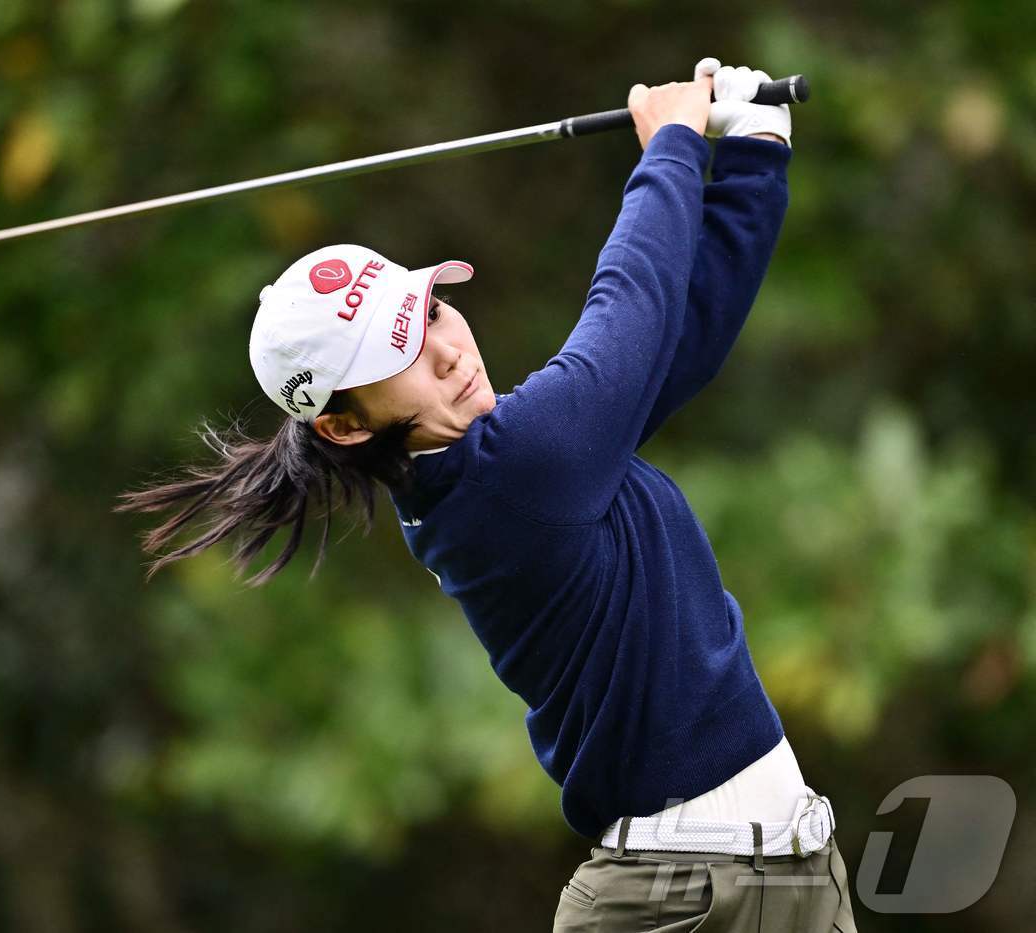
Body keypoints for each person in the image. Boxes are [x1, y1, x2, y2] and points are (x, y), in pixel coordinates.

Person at [116, 58, 858, 932]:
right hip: (679, 904)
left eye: (427, 310)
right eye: (398, 355)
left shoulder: (528, 459)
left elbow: (678, 328)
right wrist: (671, 148)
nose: (445, 347)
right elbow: (631, 303)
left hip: (787, 874)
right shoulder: (512, 477)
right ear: (347, 427)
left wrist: (754, 152)